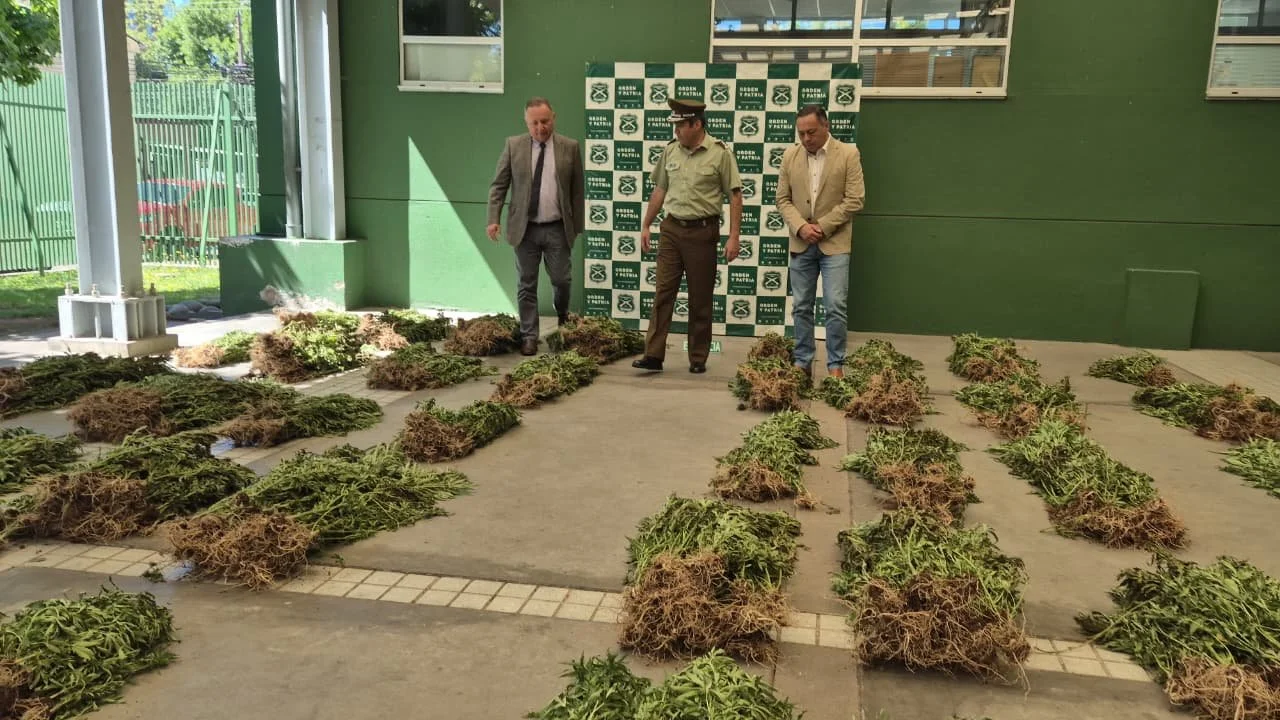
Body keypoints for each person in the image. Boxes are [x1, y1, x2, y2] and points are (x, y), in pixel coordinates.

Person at [632, 98, 743, 374]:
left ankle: (697, 357)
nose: (677, 130)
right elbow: (659, 190)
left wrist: (734, 236)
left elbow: (735, 195)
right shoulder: (670, 151)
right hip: (671, 229)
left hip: (702, 231)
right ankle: (654, 354)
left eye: (681, 124)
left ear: (696, 124)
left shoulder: (720, 153)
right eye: (675, 124)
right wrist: (646, 224)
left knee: (700, 297)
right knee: (663, 293)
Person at [486, 97, 585, 355]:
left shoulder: (570, 147)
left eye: (545, 121)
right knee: (526, 284)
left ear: (554, 118)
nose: (540, 127)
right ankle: (529, 335)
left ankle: (563, 316)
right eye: (535, 123)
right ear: (526, 122)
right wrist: (493, 219)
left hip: (557, 228)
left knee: (561, 280)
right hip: (525, 228)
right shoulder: (513, 146)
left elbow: (577, 191)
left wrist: (577, 226)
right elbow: (499, 185)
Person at [774, 104, 865, 380]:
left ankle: (835, 364)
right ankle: (802, 362)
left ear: (826, 126)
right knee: (801, 305)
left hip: (835, 244)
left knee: (835, 305)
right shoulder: (790, 155)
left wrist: (821, 227)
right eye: (801, 133)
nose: (805, 139)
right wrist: (801, 227)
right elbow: (782, 199)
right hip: (801, 244)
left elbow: (855, 199)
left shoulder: (849, 154)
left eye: (811, 132)